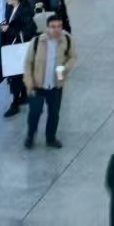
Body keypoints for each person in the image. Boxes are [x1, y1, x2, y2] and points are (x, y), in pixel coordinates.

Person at [21, 13, 76, 149]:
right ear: (47, 28)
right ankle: (30, 136)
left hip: (56, 85)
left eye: (59, 26)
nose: (56, 29)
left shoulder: (67, 40)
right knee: (34, 113)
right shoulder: (37, 42)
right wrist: (29, 83)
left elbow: (72, 57)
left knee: (54, 114)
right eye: (53, 27)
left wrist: (65, 68)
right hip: (37, 85)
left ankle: (50, 138)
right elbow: (28, 63)